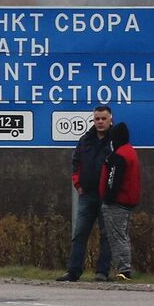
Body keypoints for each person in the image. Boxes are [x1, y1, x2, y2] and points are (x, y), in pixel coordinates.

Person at [58, 105, 114, 281]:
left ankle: (102, 272)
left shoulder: (116, 140)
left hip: (107, 197)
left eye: (103, 118)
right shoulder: (85, 140)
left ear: (110, 119)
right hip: (87, 195)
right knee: (80, 234)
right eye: (97, 119)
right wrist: (77, 183)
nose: (100, 122)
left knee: (107, 236)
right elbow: (75, 161)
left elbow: (123, 166)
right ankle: (73, 271)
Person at [100, 121, 141, 280]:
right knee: (122, 235)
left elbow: (113, 179)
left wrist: (108, 197)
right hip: (127, 200)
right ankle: (122, 268)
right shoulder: (130, 151)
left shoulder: (119, 155)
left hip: (118, 202)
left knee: (117, 236)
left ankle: (124, 270)